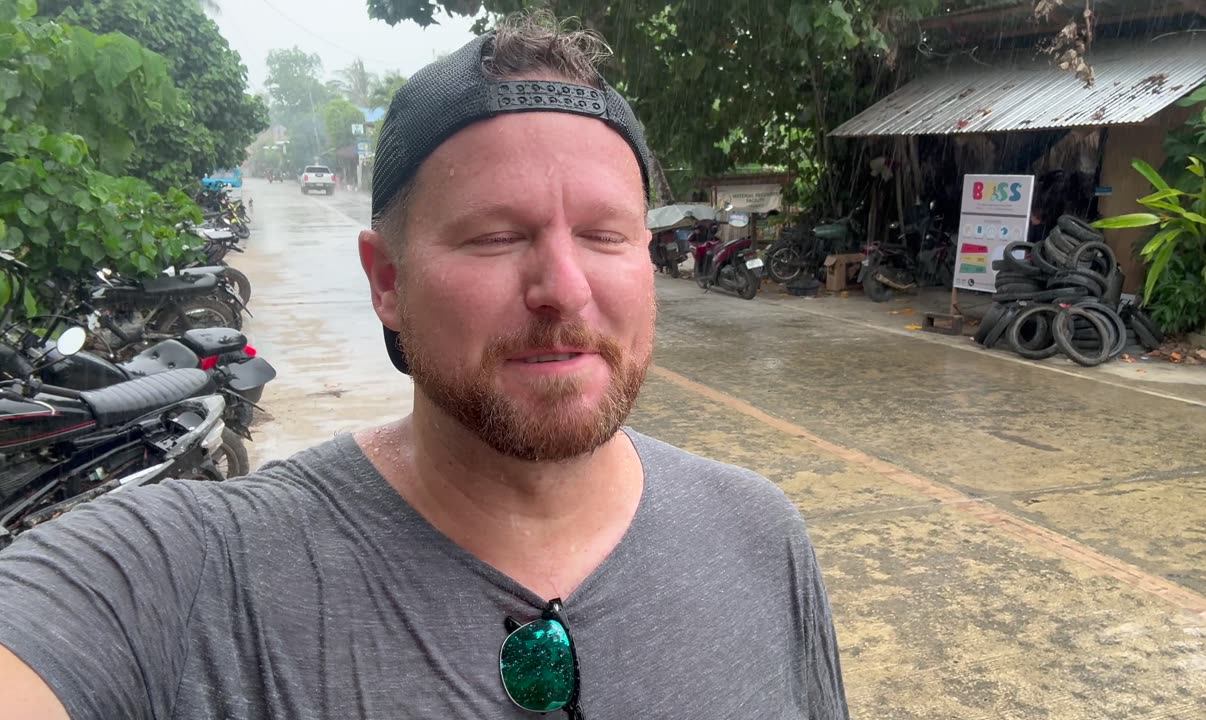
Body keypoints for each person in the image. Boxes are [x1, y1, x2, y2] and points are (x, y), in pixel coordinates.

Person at [0, 12, 847, 720]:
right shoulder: (202, 576)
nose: (563, 287)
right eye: (496, 236)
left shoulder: (760, 537)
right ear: (387, 282)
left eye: (604, 235)